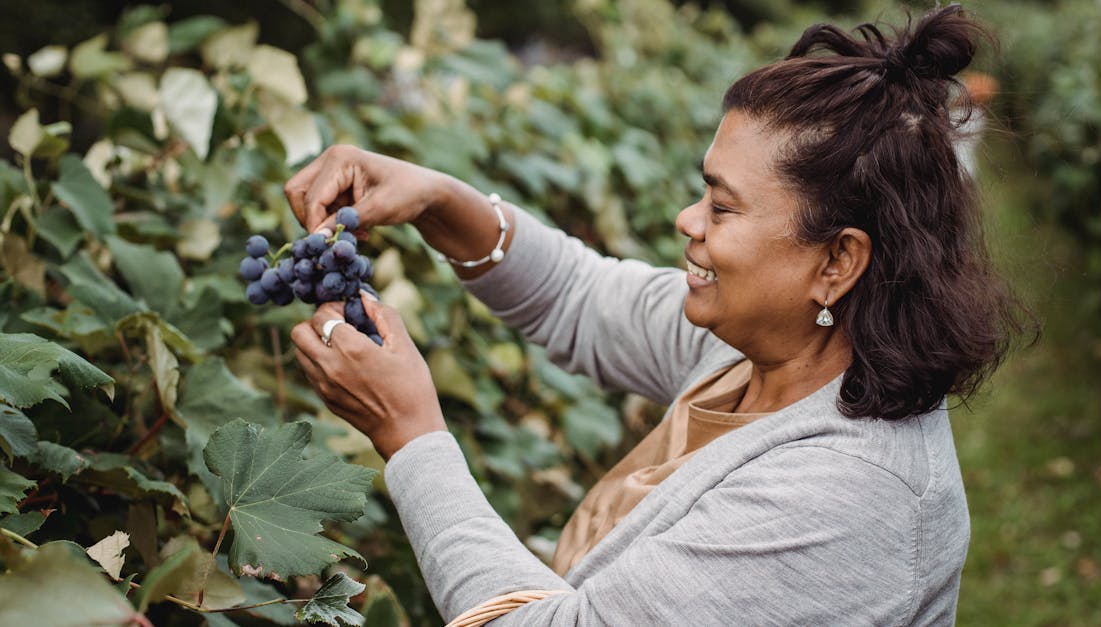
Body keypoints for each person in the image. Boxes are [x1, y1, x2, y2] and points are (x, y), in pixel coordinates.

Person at [285, 5, 1028, 625]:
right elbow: (578, 295)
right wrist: (441, 199)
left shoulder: (845, 498)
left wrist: (412, 437)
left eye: (722, 205)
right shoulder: (767, 353)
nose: (687, 218)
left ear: (837, 261)